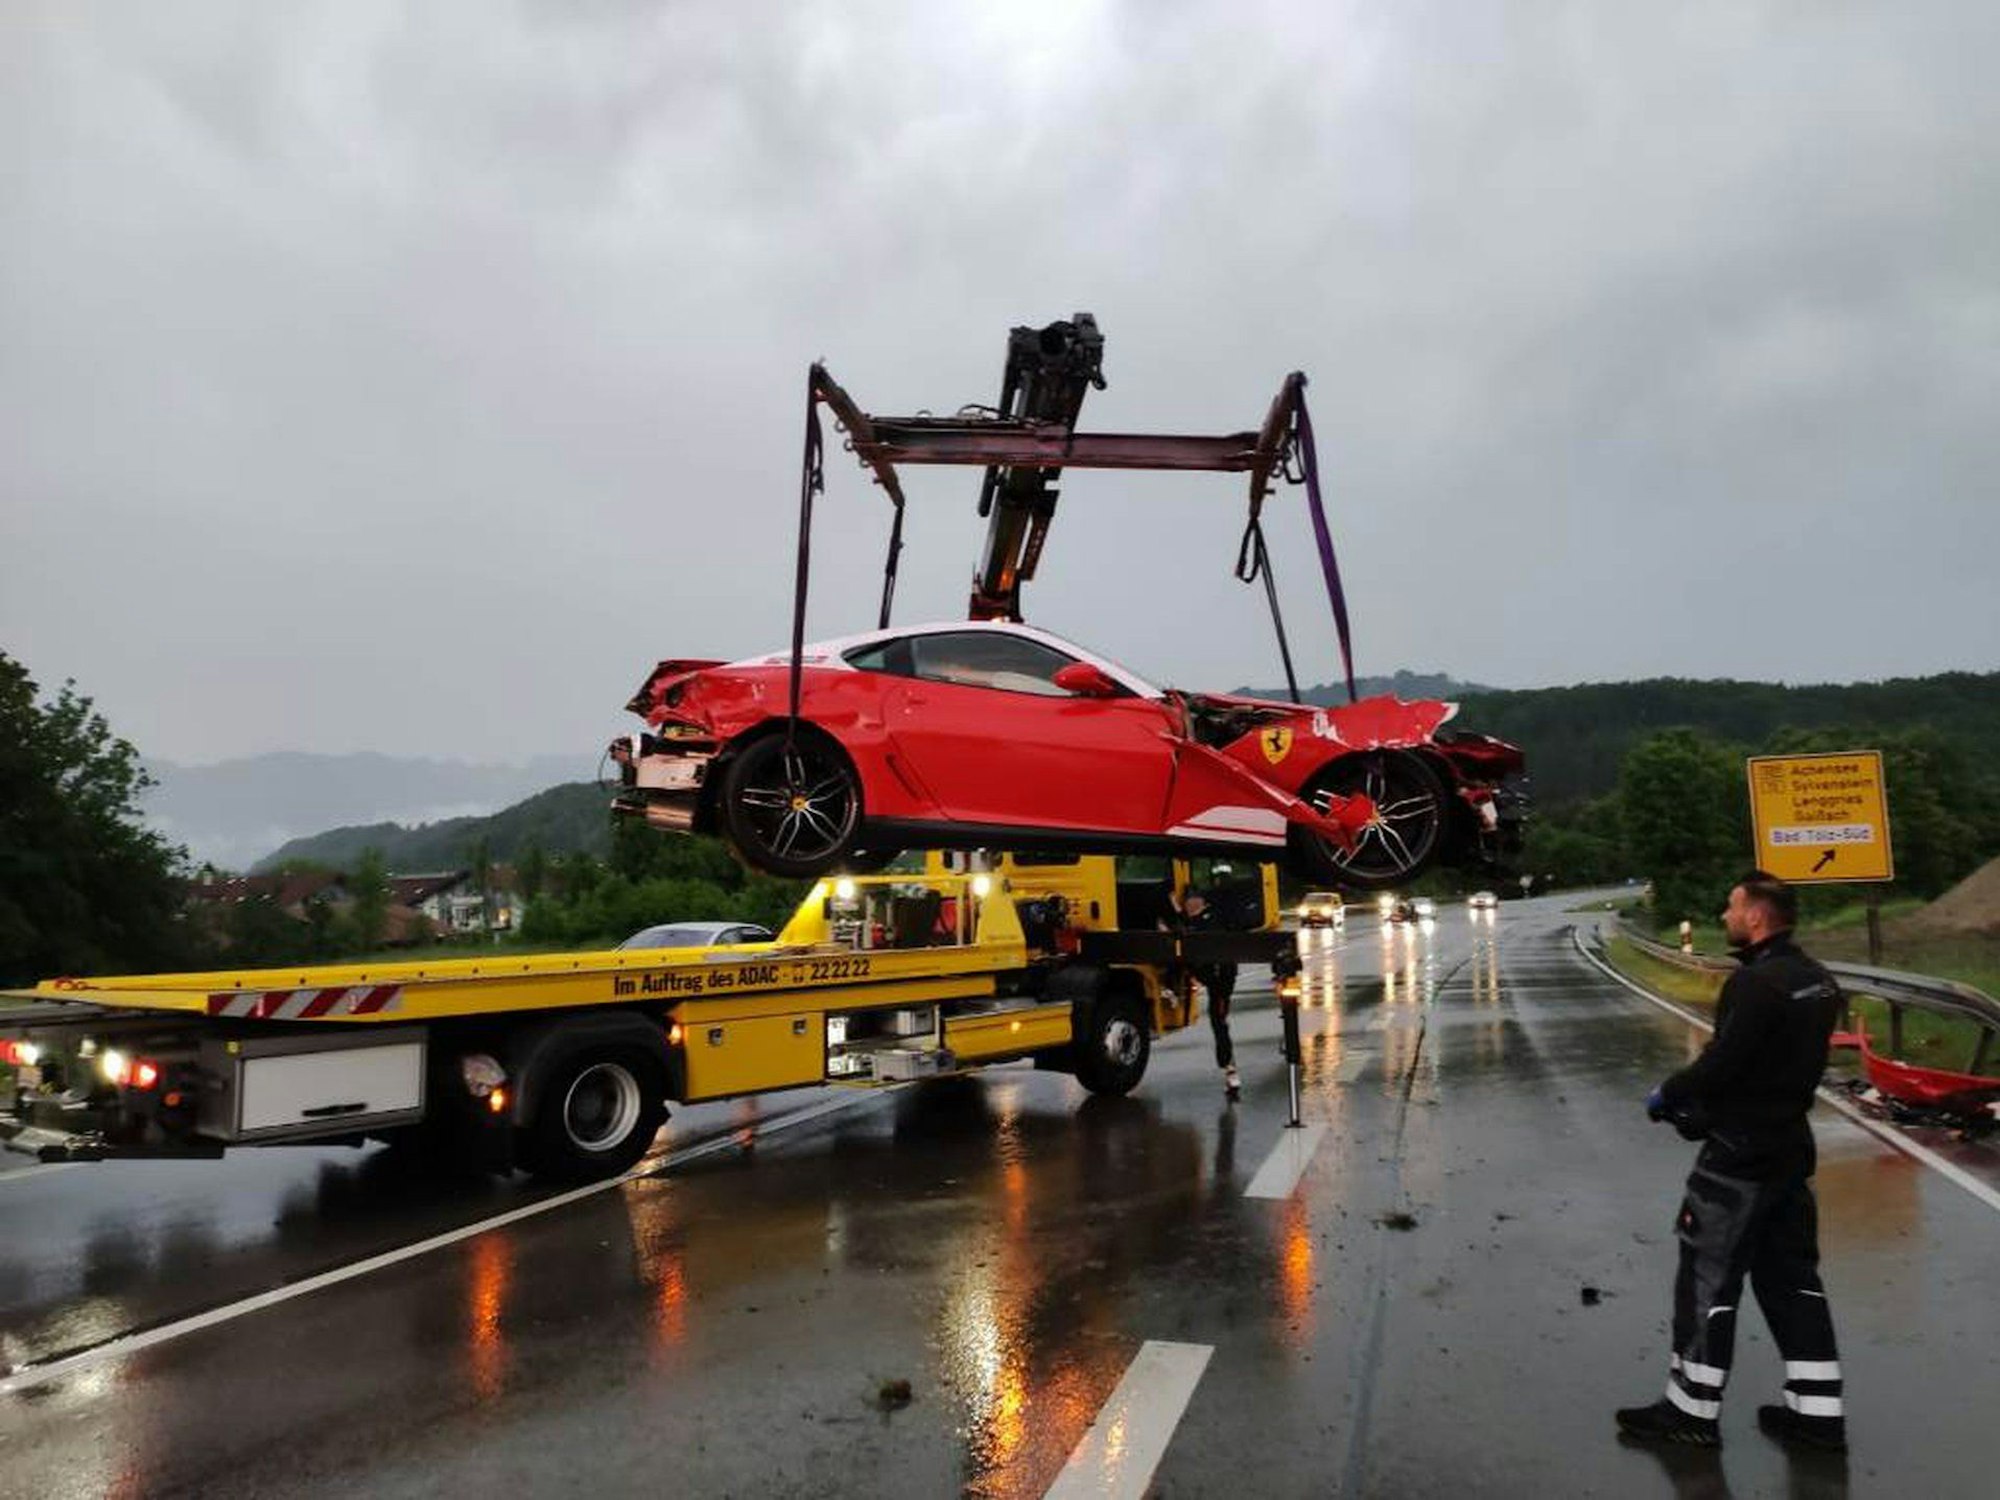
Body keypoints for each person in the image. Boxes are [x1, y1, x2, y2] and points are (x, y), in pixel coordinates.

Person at [1616, 871, 1848, 1453]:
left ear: (1756, 915)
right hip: (1791, 1155)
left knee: (1705, 1282)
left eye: (1731, 905)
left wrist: (1669, 1095)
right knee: (1795, 1284)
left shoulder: (1756, 985)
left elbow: (1723, 1066)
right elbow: (1772, 1067)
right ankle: (1818, 1417)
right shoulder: (1817, 982)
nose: (1724, 915)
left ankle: (1690, 1412)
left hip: (1736, 1165)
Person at [1180, 890, 1241, 1101]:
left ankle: (1230, 1069)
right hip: (1211, 976)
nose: (1186, 907)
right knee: (1218, 1021)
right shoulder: (1194, 921)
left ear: (1198, 902)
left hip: (1220, 980)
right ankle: (1229, 1069)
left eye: (1188, 902)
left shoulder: (1211, 919)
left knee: (1219, 1021)